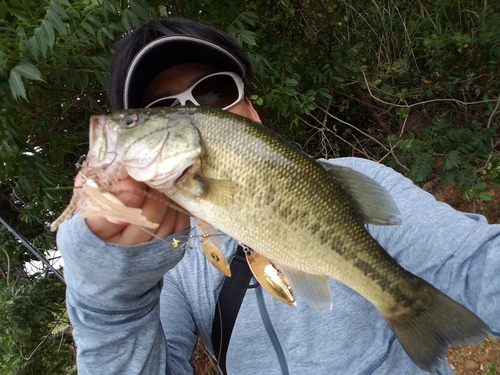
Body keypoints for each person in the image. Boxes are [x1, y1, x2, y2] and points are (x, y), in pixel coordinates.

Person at [57, 17, 500, 375]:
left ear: (250, 108)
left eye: (215, 92)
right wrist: (111, 300)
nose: (196, 113)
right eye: (157, 111)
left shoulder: (350, 178)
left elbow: (472, 259)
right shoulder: (167, 267)